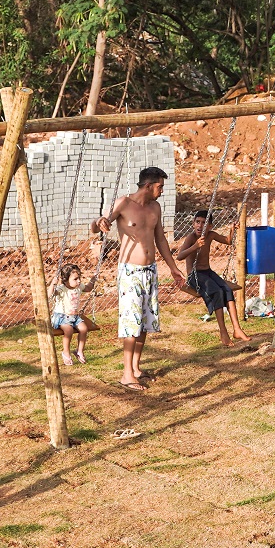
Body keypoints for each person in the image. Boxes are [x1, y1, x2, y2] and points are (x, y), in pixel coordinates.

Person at [91, 166, 193, 391]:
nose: (161, 191)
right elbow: (98, 226)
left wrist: (173, 268)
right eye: (159, 187)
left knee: (145, 322)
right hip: (130, 273)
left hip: (150, 271)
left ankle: (136, 368)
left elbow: (161, 241)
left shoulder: (155, 207)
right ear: (148, 186)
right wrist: (98, 222)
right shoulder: (124, 204)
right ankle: (126, 374)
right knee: (132, 323)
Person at [177, 209, 246, 345]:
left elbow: (228, 241)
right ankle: (223, 332)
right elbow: (180, 256)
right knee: (217, 292)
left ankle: (237, 329)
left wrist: (232, 229)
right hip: (194, 275)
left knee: (227, 290)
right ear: (193, 223)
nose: (200, 226)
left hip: (207, 272)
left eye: (204, 223)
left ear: (210, 226)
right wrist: (195, 246)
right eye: (197, 222)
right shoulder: (191, 238)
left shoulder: (211, 235)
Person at [48, 262, 93, 365]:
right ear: (65, 280)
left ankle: (79, 351)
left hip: (74, 317)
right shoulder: (61, 289)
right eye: (75, 279)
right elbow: (49, 295)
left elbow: (88, 288)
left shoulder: (79, 287)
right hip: (61, 317)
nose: (79, 281)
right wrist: (52, 284)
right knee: (68, 331)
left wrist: (93, 280)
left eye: (79, 278)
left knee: (84, 329)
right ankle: (66, 353)